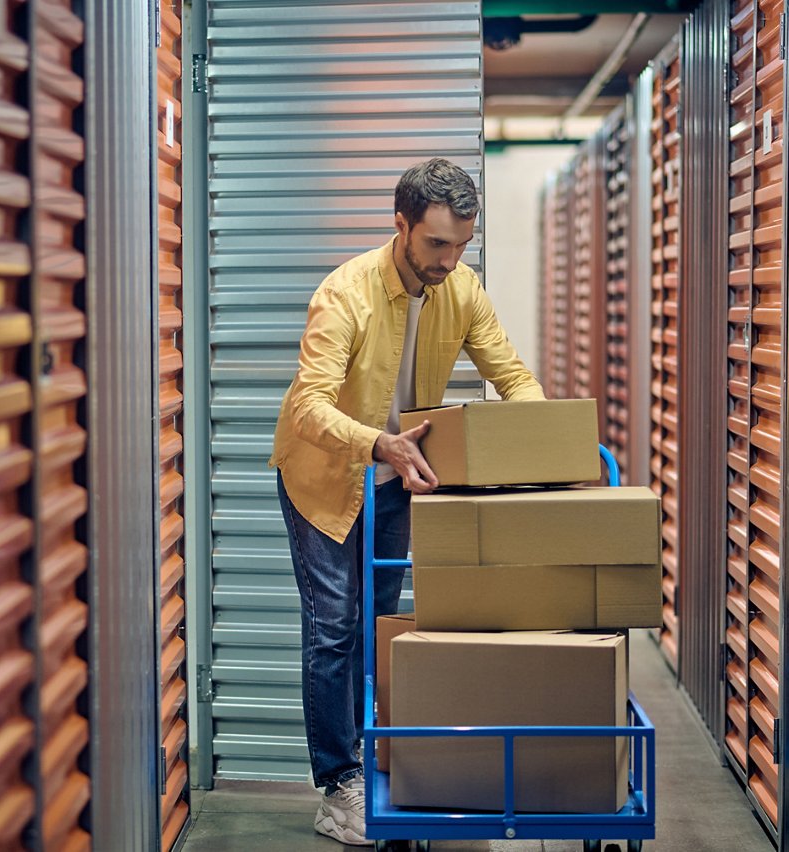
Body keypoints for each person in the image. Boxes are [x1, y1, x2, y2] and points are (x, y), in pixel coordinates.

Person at [269, 158, 546, 846]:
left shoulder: (463, 289)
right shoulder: (346, 295)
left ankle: (376, 758)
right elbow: (307, 408)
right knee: (334, 627)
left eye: (460, 246)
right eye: (435, 245)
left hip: (398, 477)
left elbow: (511, 374)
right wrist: (380, 445)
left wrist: (548, 448)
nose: (449, 261)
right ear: (401, 225)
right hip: (326, 477)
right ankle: (338, 786)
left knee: (376, 623)